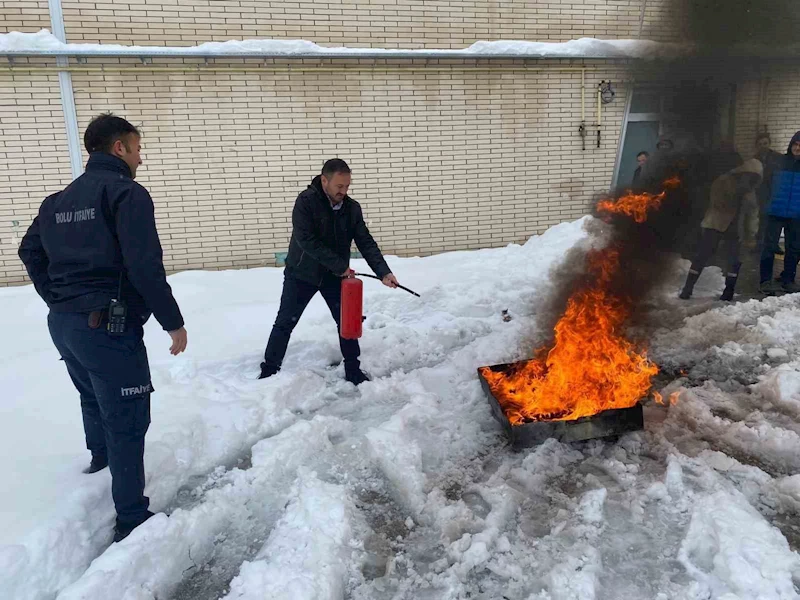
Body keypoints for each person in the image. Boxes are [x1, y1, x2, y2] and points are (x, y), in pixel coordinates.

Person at [18, 113, 187, 543]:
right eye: (136, 148)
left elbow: (28, 249)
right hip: (106, 328)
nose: (140, 158)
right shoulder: (125, 193)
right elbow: (144, 265)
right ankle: (131, 517)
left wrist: (57, 298)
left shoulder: (57, 201)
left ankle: (101, 463)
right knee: (128, 417)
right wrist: (173, 322)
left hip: (66, 325)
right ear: (119, 148)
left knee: (93, 397)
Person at [259, 159, 398, 384]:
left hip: (334, 277)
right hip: (301, 274)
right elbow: (306, 240)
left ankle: (353, 370)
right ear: (324, 180)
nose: (343, 191)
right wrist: (340, 265)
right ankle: (269, 370)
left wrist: (383, 272)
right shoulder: (306, 202)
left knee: (346, 323)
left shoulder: (351, 208)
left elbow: (365, 241)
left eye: (347, 187)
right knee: (285, 321)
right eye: (339, 186)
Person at [679, 159, 763, 301]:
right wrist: (737, 194)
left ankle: (729, 290)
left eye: (753, 177)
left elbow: (752, 216)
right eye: (748, 175)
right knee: (702, 255)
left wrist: (750, 236)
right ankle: (688, 288)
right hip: (715, 224)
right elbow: (717, 203)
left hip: (736, 229)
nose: (749, 179)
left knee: (735, 259)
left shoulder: (750, 193)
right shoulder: (724, 181)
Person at [759, 131, 800, 294]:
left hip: (796, 215)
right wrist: (764, 205)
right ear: (791, 145)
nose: (798, 148)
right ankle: (765, 281)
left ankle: (788, 280)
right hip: (774, 212)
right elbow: (764, 186)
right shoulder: (778, 162)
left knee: (794, 248)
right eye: (796, 144)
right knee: (769, 246)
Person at [754, 132, 785, 253]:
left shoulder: (779, 157)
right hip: (762, 194)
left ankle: (774, 245)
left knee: (775, 221)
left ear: (769, 143)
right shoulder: (754, 159)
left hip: (776, 193)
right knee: (762, 220)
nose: (763, 146)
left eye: (765, 143)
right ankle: (759, 244)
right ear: (757, 145)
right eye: (760, 144)